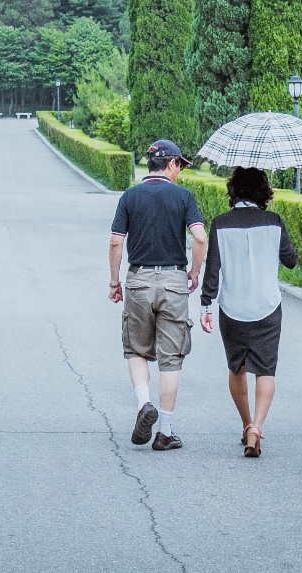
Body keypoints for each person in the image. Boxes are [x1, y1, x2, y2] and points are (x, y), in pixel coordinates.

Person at [109, 138, 207, 451]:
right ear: (171, 163)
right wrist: (194, 272)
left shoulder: (130, 195)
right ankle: (165, 432)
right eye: (180, 165)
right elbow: (201, 238)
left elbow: (115, 242)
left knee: (136, 349)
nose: (180, 171)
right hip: (174, 281)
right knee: (171, 358)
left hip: (138, 279)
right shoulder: (184, 197)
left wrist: (115, 282)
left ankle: (143, 404)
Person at [199, 166, 299, 457]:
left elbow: (212, 268)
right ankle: (257, 425)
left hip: (232, 307)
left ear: (234, 190)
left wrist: (206, 304)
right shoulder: (274, 221)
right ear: (263, 191)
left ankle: (245, 425)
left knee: (236, 366)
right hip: (267, 306)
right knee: (266, 368)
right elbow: (291, 261)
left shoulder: (220, 223)